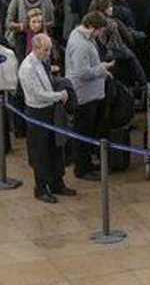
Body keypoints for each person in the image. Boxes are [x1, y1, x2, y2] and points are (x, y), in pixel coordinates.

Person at [18, 33, 75, 203]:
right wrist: (60, 95)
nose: (48, 53)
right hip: (37, 113)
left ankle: (57, 183)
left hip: (50, 111)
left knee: (55, 148)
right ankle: (41, 188)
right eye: (45, 50)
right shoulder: (27, 68)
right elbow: (38, 94)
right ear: (35, 49)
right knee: (40, 152)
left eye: (49, 49)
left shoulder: (43, 61)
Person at [66, 11, 114, 181]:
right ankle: (82, 168)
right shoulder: (81, 45)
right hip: (84, 95)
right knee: (83, 132)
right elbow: (81, 72)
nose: (100, 34)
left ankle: (85, 163)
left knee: (86, 131)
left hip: (90, 92)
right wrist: (101, 69)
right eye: (100, 30)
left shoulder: (81, 36)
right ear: (92, 28)